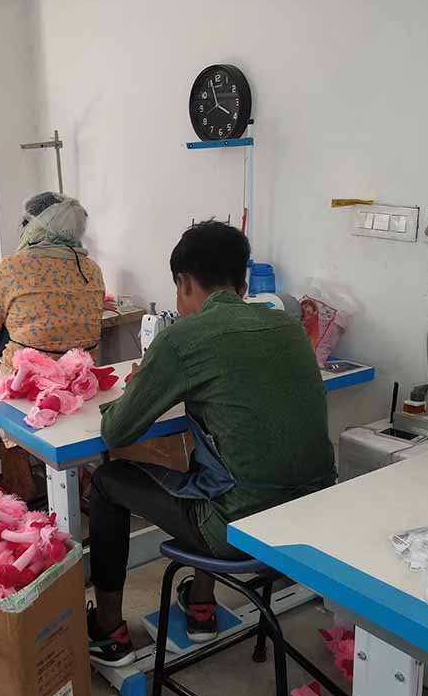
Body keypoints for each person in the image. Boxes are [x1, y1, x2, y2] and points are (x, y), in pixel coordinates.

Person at [85, 221, 336, 667]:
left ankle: (108, 631)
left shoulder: (183, 338)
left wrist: (137, 387)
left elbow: (115, 433)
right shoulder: (290, 327)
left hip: (239, 533)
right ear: (243, 282)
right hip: (311, 519)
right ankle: (200, 605)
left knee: (107, 480)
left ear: (183, 283)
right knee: (209, 464)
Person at [0, 192, 105, 488]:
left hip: (24, 390)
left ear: (34, 226)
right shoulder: (91, 269)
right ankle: (19, 484)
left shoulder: (14, 267)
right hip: (78, 386)